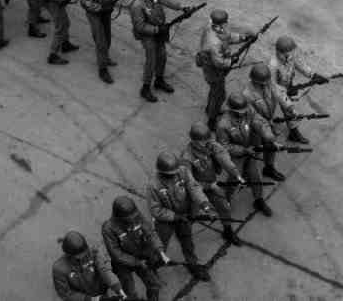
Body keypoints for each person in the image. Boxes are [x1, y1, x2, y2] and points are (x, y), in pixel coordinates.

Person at [147, 152, 213, 281]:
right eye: (170, 174)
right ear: (162, 172)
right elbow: (155, 210)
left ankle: (192, 264)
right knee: (160, 246)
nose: (174, 176)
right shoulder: (153, 186)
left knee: (187, 241)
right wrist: (174, 216)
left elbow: (193, 187)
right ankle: (152, 266)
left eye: (174, 172)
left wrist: (204, 203)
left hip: (183, 215)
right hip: (164, 221)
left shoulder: (182, 172)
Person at [180, 122, 245, 246]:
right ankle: (184, 235)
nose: (208, 142)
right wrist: (209, 187)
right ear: (194, 141)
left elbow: (223, 157)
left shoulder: (210, 145)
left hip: (211, 185)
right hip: (195, 192)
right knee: (191, 215)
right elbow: (189, 183)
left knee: (224, 207)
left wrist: (236, 173)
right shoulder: (186, 158)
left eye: (208, 139)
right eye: (203, 141)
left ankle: (228, 231)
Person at [130, 0, 192, 102]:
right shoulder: (137, 5)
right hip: (148, 34)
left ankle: (159, 80)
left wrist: (182, 8)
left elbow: (167, 0)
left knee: (162, 56)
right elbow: (140, 26)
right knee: (151, 60)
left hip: (160, 30)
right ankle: (145, 88)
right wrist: (157, 30)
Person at [215, 92, 275, 217]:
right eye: (240, 111)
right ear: (232, 110)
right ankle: (226, 199)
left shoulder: (248, 109)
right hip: (236, 156)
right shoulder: (223, 125)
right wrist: (243, 150)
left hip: (249, 150)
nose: (243, 113)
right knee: (234, 179)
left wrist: (267, 134)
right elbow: (224, 146)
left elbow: (257, 120)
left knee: (255, 177)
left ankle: (258, 200)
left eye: (244, 110)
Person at [102, 196, 168, 301]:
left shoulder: (136, 216)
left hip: (140, 256)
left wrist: (159, 249)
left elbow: (150, 233)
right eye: (129, 217)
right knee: (130, 293)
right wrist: (137, 262)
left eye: (134, 215)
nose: (133, 219)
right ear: (119, 216)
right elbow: (117, 254)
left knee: (154, 285)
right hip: (123, 264)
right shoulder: (108, 229)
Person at [197, 9, 251, 130]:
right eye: (226, 21)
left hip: (214, 64)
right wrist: (231, 61)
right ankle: (211, 119)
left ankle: (209, 108)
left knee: (214, 91)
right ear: (222, 23)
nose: (227, 23)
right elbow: (219, 63)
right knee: (219, 95)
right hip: (213, 70)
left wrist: (243, 38)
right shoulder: (214, 42)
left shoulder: (214, 27)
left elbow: (228, 37)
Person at [269, 36, 328, 144]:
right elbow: (274, 88)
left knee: (289, 113)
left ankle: (293, 133)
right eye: (289, 52)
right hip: (273, 91)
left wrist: (313, 75)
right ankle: (267, 129)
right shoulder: (273, 65)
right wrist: (288, 104)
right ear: (281, 53)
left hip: (287, 86)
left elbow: (300, 64)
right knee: (268, 111)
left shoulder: (289, 56)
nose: (291, 54)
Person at [79, 0, 127, 83]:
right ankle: (102, 69)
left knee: (107, 37)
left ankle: (105, 57)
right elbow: (86, 3)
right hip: (95, 14)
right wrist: (100, 8)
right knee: (100, 41)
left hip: (107, 10)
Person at [242, 63, 287, 182]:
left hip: (267, 122)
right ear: (255, 81)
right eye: (262, 83)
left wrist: (289, 106)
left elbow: (278, 92)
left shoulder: (268, 84)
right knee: (254, 150)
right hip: (254, 127)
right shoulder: (247, 95)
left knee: (270, 147)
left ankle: (269, 168)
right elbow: (252, 117)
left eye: (267, 82)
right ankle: (247, 171)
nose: (266, 85)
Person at [52, 231, 126, 301]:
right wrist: (91, 299)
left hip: (100, 292)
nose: (82, 257)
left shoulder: (94, 251)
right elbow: (65, 294)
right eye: (78, 256)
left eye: (84, 253)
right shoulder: (59, 269)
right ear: (69, 254)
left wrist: (118, 288)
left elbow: (104, 270)